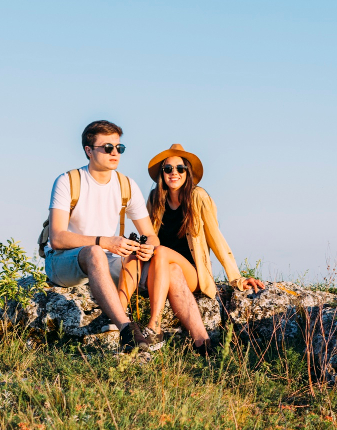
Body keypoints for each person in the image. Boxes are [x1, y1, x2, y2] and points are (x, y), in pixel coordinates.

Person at [44, 122, 203, 353]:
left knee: (171, 269)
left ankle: (203, 342)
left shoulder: (126, 185)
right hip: (65, 261)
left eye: (119, 147)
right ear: (89, 150)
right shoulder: (68, 181)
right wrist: (104, 241)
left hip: (110, 261)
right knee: (95, 252)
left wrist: (148, 246)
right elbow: (57, 238)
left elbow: (150, 234)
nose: (115, 153)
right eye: (107, 147)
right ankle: (127, 330)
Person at [139, 144, 265, 355]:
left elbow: (217, 239)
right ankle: (202, 343)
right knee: (169, 267)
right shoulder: (155, 199)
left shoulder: (198, 197)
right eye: (168, 169)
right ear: (162, 173)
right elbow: (146, 237)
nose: (174, 173)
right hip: (163, 271)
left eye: (180, 168)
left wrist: (236, 278)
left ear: (188, 172)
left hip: (193, 273)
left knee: (161, 252)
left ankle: (155, 325)